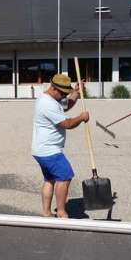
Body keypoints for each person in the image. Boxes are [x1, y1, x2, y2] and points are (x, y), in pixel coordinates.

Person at [32, 74, 89, 218]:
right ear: (54, 89)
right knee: (65, 176)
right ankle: (62, 212)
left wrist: (76, 92)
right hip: (49, 150)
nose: (64, 95)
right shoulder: (48, 104)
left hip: (41, 150)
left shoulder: (51, 99)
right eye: (63, 93)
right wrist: (81, 118)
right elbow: (67, 124)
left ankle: (46, 212)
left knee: (49, 180)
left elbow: (66, 105)